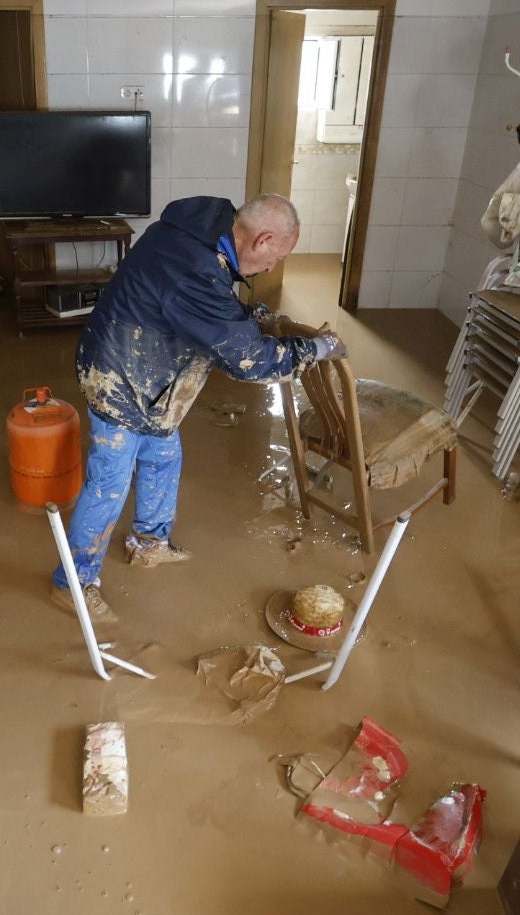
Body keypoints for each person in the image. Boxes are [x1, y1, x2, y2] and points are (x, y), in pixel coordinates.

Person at [49, 193, 347, 623]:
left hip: (152, 373)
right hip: (119, 377)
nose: (269, 268)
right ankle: (72, 583)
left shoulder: (201, 232)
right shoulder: (195, 272)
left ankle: (149, 542)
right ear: (262, 240)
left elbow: (204, 309)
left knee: (163, 456)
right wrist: (318, 347)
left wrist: (249, 317)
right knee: (109, 483)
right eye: (275, 257)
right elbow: (251, 362)